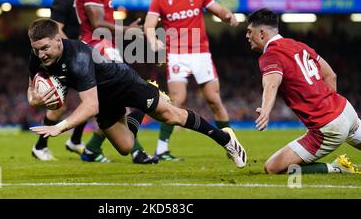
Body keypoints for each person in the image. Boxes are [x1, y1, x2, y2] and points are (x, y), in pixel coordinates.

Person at [27, 19, 247, 170]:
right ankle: (139, 109)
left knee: (171, 115)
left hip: (124, 83)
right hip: (103, 99)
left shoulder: (78, 58)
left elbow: (90, 107)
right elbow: (31, 91)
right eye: (37, 49)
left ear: (58, 39)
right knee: (125, 147)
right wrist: (34, 99)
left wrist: (59, 127)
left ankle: (225, 138)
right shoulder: (36, 57)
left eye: (45, 48)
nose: (41, 54)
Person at [144, 0, 240, 161]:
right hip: (177, 55)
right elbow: (149, 25)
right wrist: (153, 41)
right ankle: (161, 149)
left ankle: (231, 144)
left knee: (214, 100)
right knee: (177, 100)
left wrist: (228, 15)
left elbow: (219, 9)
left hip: (200, 54)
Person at [246, 8, 361, 174]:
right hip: (346, 110)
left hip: (327, 127)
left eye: (250, 31)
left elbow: (271, 84)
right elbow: (330, 76)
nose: (247, 36)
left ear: (262, 33)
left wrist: (265, 109)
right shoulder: (299, 45)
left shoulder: (271, 55)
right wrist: (330, 108)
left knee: (272, 168)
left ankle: (337, 168)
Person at [74, 0, 157, 164]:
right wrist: (127, 30)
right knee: (126, 96)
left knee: (114, 105)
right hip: (98, 46)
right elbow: (97, 23)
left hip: (99, 46)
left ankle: (92, 149)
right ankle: (137, 152)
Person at [31, 0, 110, 162]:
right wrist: (73, 49)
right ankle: (41, 146)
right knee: (61, 104)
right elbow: (56, 29)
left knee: (91, 98)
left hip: (79, 56)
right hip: (66, 56)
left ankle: (73, 140)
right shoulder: (63, 0)